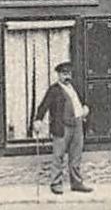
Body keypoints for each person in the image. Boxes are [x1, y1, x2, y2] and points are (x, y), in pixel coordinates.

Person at [34, 61, 93, 195]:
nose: (66, 76)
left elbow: (83, 101)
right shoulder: (54, 90)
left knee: (76, 155)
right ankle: (56, 183)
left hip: (77, 125)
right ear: (58, 75)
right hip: (62, 126)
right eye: (64, 74)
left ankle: (77, 183)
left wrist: (85, 107)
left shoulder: (74, 87)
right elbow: (43, 106)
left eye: (68, 73)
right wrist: (38, 119)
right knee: (58, 155)